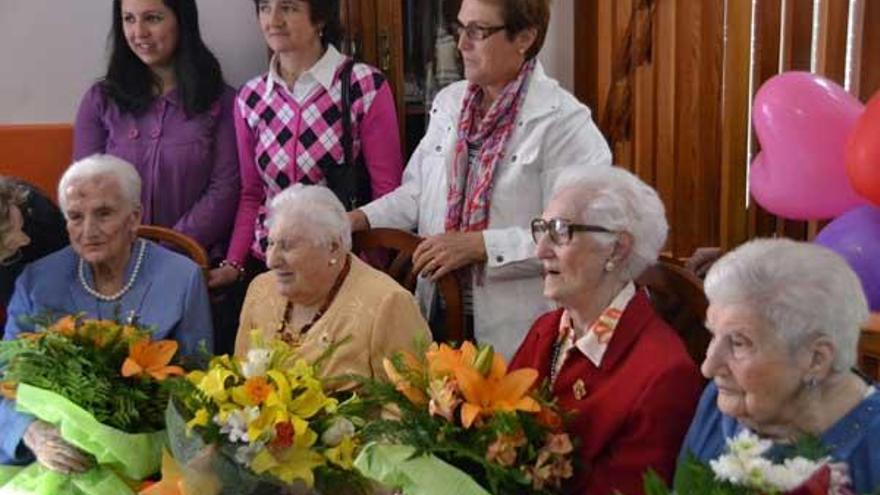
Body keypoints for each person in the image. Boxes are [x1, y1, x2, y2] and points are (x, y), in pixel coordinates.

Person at [349, 0, 612, 359]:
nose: (460, 44)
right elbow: (416, 194)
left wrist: (481, 246)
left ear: (524, 37)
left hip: (518, 329)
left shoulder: (565, 123)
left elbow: (579, 233)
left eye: (478, 31)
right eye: (461, 28)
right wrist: (359, 219)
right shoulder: (450, 103)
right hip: (438, 310)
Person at [1, 155, 214, 471]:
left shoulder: (182, 278)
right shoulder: (37, 280)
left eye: (104, 214)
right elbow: (5, 376)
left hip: (151, 455)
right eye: (75, 216)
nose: (89, 231)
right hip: (52, 457)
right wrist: (30, 432)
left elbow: (200, 381)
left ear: (134, 217)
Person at [509, 167, 703, 494]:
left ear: (617, 249)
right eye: (542, 229)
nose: (540, 250)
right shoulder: (548, 329)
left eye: (560, 231)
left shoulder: (663, 374)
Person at [209, 0, 404, 289]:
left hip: (342, 265)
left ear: (320, 18)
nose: (273, 20)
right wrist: (234, 264)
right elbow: (252, 193)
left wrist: (374, 272)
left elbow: (387, 192)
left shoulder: (364, 86)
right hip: (271, 264)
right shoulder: (251, 97)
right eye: (264, 7)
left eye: (288, 8)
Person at [680, 239, 879, 493]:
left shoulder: (872, 452)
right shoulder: (719, 403)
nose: (709, 367)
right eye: (713, 335)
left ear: (816, 359)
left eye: (739, 343)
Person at [73, 0, 239, 260]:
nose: (139, 33)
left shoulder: (222, 100)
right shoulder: (100, 100)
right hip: (116, 261)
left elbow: (225, 189)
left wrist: (166, 253)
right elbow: (85, 189)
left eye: (152, 18)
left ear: (181, 21)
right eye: (128, 19)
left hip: (194, 261)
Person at [235, 184, 429, 383]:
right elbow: (239, 382)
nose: (271, 261)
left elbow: (408, 405)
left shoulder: (388, 305)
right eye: (271, 244)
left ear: (333, 247)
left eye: (288, 246)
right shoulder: (260, 289)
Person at [0, 177, 68, 311]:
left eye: (19, 226)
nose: (26, 240)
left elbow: (71, 254)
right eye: (10, 245)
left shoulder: (34, 205)